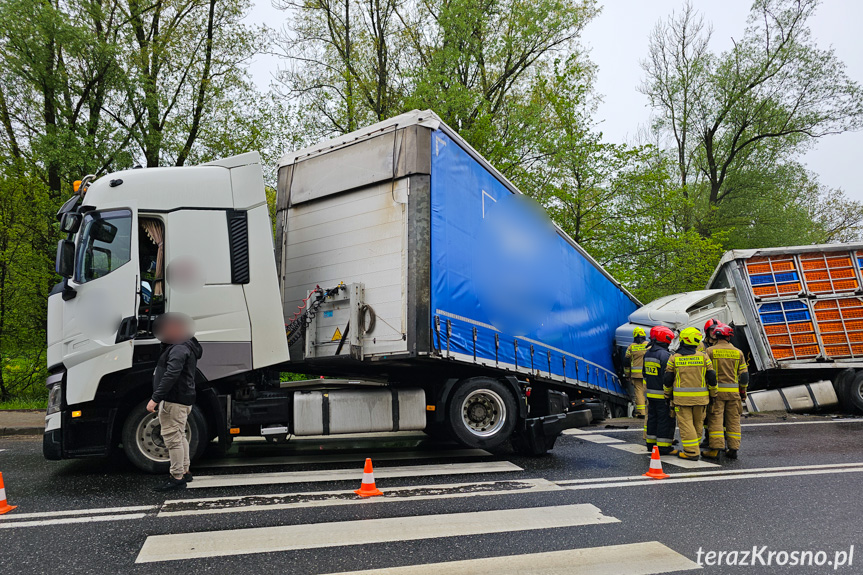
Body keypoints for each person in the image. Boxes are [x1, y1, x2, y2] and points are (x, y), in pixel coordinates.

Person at [147, 313, 203, 491]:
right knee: (179, 436)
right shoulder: (185, 344)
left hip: (174, 400)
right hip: (181, 398)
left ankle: (177, 476)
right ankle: (185, 471)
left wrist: (155, 398)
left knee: (172, 439)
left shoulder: (178, 348)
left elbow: (172, 374)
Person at [664, 327, 717, 460]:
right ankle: (695, 446)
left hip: (682, 401)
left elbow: (668, 380)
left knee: (686, 425)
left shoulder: (674, 358)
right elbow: (712, 377)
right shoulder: (704, 357)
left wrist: (667, 395)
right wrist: (713, 394)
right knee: (698, 424)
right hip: (702, 400)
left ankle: (691, 452)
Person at [702, 323, 749, 460]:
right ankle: (733, 448)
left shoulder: (710, 352)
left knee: (715, 419)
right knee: (733, 420)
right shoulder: (738, 352)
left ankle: (715, 450)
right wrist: (743, 391)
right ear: (729, 337)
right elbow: (744, 375)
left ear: (716, 336)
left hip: (716, 394)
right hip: (734, 393)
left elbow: (707, 373)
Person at [643, 326, 677, 455]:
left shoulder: (648, 353)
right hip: (663, 395)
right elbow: (668, 377)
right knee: (665, 420)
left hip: (651, 393)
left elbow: (644, 373)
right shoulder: (665, 355)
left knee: (652, 418)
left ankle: (651, 444)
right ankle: (664, 447)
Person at [623, 327, 649, 418]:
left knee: (639, 393)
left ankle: (642, 413)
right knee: (650, 392)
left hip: (636, 375)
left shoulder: (631, 347)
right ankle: (650, 411)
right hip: (649, 374)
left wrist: (627, 374)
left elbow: (626, 361)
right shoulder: (649, 345)